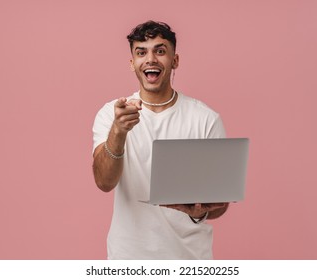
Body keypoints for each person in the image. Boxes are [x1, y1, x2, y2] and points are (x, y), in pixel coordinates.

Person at [92, 20, 229, 259]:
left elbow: (221, 202)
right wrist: (119, 132)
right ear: (132, 63)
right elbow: (104, 182)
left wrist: (198, 211)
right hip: (128, 258)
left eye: (160, 50)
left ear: (175, 60)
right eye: (141, 52)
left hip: (188, 259)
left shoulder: (206, 119)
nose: (151, 59)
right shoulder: (112, 114)